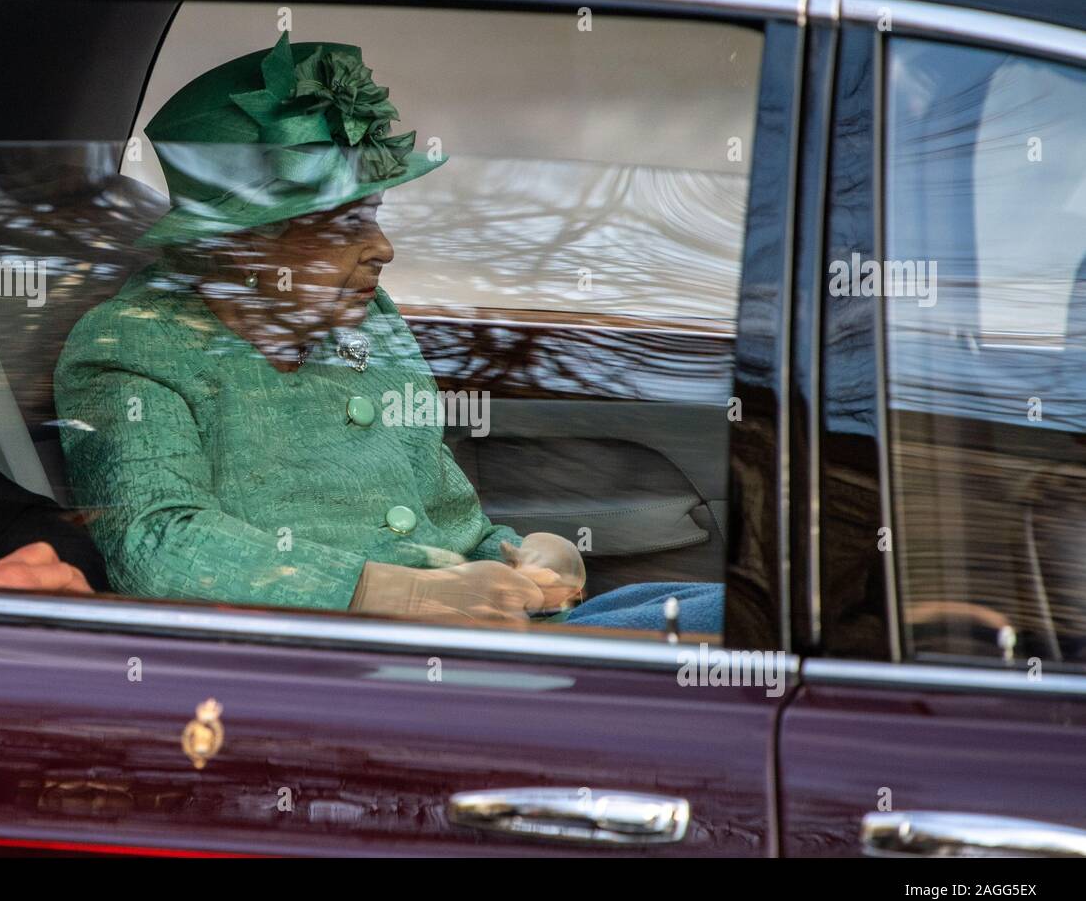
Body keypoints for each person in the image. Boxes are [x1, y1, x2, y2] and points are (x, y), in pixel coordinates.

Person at [55, 33, 721, 632]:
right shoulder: (133, 346)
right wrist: (399, 595)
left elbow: (444, 521)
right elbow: (161, 546)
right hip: (352, 666)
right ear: (239, 246)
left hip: (481, 635)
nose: (382, 248)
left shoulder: (367, 321)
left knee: (743, 611)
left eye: (371, 215)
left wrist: (526, 558)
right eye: (343, 225)